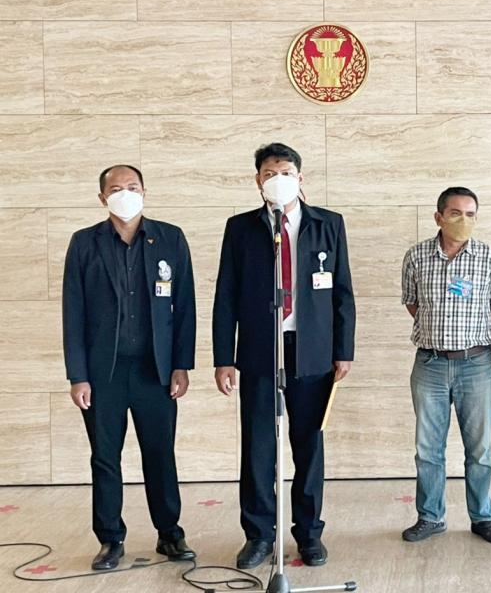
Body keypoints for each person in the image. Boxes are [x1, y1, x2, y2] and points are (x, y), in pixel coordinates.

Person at [213, 142, 355, 569]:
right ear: (258, 181)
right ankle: (259, 535)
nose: (279, 179)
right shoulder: (241, 228)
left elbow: (342, 293)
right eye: (270, 173)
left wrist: (343, 350)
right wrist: (224, 357)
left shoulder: (328, 224)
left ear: (301, 177)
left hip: (312, 352)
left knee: (308, 445)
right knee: (258, 447)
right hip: (260, 351)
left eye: (286, 172)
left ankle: (309, 534)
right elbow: (226, 296)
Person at [62, 164, 197, 570]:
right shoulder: (85, 243)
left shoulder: (170, 238)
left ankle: (169, 533)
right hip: (103, 372)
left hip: (155, 370)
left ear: (145, 192)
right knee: (105, 456)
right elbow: (73, 312)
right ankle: (110, 539)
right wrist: (78, 375)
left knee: (160, 452)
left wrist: (181, 365)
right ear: (102, 198)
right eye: (116, 188)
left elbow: (184, 307)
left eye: (133, 187)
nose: (125, 194)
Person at [400, 187, 491, 545]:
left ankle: (483, 517)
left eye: (470, 214)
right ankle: (430, 517)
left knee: (479, 449)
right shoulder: (416, 256)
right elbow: (412, 302)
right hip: (430, 364)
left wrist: (466, 331)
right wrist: (439, 331)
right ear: (438, 217)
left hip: (476, 364)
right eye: (455, 213)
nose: (463, 220)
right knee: (428, 449)